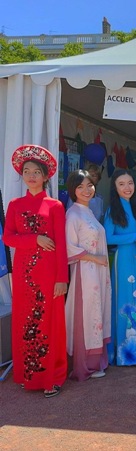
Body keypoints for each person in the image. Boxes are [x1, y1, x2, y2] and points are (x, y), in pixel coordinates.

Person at [4, 145, 68, 398]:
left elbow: (61, 245)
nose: (31, 176)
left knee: (51, 323)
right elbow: (7, 237)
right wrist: (35, 239)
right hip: (23, 275)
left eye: (36, 172)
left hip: (49, 274)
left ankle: (54, 376)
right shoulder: (15, 205)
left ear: (45, 176)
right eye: (27, 171)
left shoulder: (55, 206)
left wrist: (62, 278)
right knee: (25, 322)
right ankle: (28, 374)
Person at [65, 170, 112, 381]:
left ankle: (96, 360)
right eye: (80, 186)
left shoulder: (89, 211)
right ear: (72, 190)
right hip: (85, 273)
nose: (86, 190)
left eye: (89, 185)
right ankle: (84, 364)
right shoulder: (73, 214)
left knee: (97, 311)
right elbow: (69, 247)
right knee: (86, 314)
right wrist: (95, 258)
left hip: (98, 271)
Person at [104, 169, 136, 366]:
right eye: (121, 184)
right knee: (125, 301)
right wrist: (133, 237)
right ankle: (124, 353)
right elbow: (107, 238)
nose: (127, 187)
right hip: (123, 260)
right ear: (115, 187)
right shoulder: (112, 210)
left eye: (130, 183)